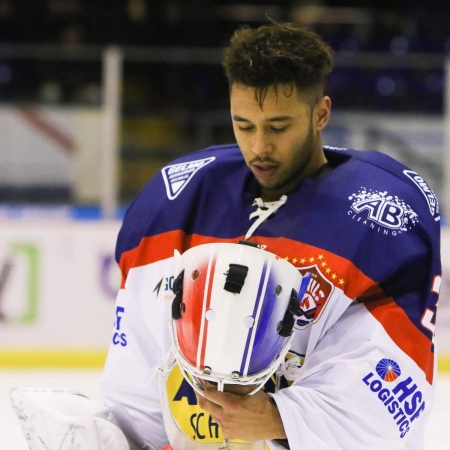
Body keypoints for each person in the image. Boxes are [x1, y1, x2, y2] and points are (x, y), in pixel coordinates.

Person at [99, 22, 441, 450]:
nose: (259, 146)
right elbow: (139, 373)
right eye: (243, 125)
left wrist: (280, 418)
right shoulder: (177, 201)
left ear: (321, 114)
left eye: (278, 127)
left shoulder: (380, 220)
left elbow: (393, 393)